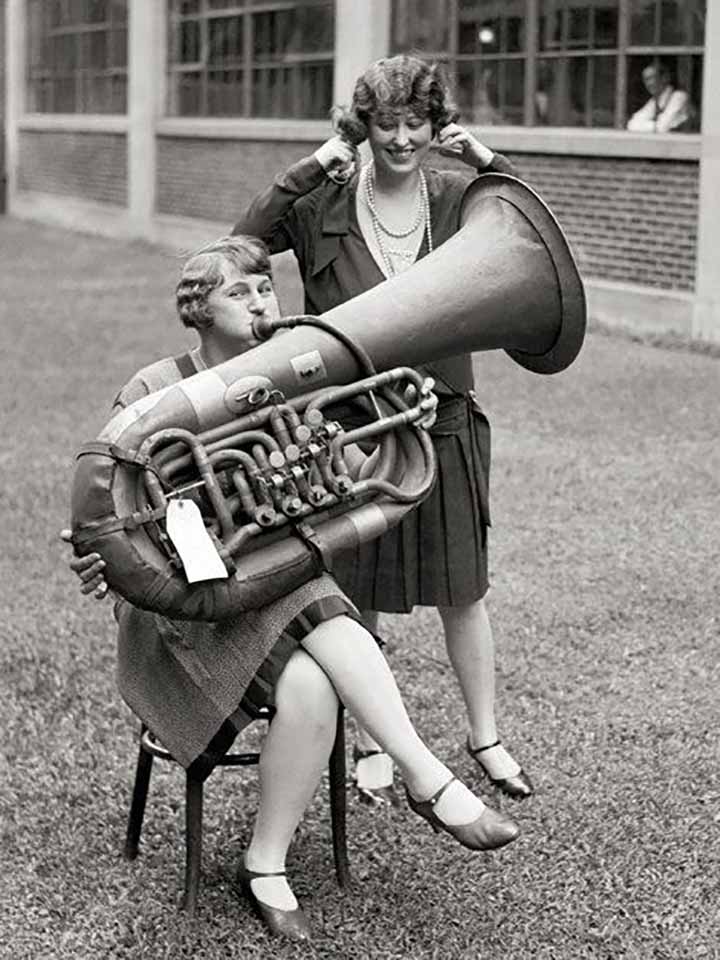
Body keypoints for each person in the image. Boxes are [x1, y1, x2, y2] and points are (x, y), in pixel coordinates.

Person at [62, 235, 520, 943]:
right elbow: (102, 508)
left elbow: (348, 471)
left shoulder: (294, 379)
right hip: (181, 620)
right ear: (197, 311)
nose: (260, 300)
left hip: (266, 589)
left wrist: (406, 423)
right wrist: (97, 560)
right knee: (311, 589)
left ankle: (265, 865)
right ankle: (430, 780)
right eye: (237, 292)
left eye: (265, 287)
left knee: (311, 672)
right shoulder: (154, 391)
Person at [232, 54, 533, 805]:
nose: (401, 139)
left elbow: (530, 228)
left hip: (447, 416)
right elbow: (243, 241)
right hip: (351, 426)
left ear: (438, 124)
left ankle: (485, 736)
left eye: (416, 124)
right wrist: (310, 168)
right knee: (355, 583)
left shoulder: (461, 194)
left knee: (464, 588)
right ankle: (372, 741)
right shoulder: (323, 202)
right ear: (362, 126)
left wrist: (488, 160)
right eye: (385, 124)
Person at [626, 63, 695, 133]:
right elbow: (631, 124)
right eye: (646, 80)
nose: (649, 84)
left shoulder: (679, 97)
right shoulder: (655, 100)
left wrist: (647, 124)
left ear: (665, 78)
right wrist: (655, 125)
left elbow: (663, 127)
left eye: (652, 78)